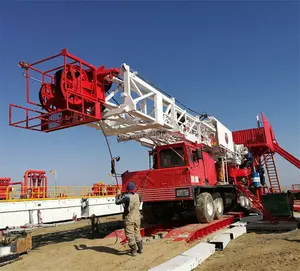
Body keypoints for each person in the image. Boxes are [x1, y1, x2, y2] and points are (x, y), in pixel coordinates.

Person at [115, 181, 143, 256]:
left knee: (130, 235)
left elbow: (117, 202)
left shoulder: (127, 197)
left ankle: (133, 251)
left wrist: (118, 194)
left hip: (129, 218)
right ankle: (140, 249)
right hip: (137, 217)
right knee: (137, 233)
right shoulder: (138, 196)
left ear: (127, 188)